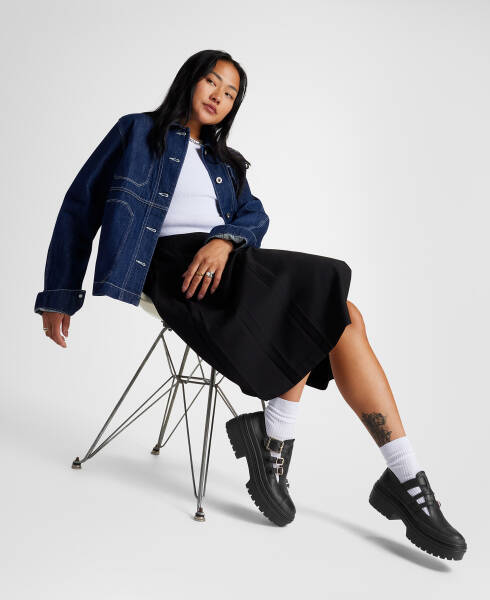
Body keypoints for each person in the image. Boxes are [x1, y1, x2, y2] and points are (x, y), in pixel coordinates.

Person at [35, 49, 466, 560]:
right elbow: (80, 204)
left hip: (222, 263)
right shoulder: (136, 132)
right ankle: (283, 443)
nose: (218, 96)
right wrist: (59, 294)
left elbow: (254, 216)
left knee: (345, 315)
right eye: (211, 82)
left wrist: (225, 239)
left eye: (230, 93)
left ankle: (402, 474)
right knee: (322, 290)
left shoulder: (226, 163)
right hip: (168, 268)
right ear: (189, 81)